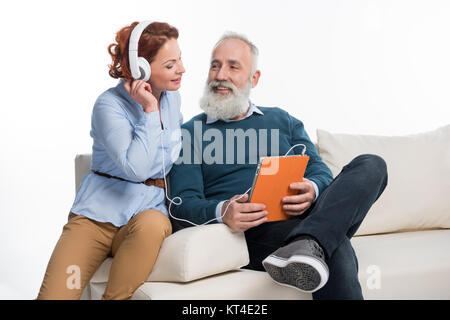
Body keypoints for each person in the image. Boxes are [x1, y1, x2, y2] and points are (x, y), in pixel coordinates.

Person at [168, 32, 387, 300]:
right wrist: (223, 211)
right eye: (215, 65)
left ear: (254, 79)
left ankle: (311, 240)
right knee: (336, 248)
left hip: (307, 218)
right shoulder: (189, 134)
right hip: (253, 232)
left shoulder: (282, 120)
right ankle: (315, 242)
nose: (220, 74)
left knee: (372, 164)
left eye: (233, 66)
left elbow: (319, 172)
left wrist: (313, 189)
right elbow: (180, 205)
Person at [37, 21, 185, 300]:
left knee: (154, 225)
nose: (182, 70)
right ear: (140, 68)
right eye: (170, 65)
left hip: (144, 218)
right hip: (95, 219)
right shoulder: (108, 105)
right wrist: (149, 110)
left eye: (180, 60)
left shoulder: (174, 100)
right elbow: (136, 167)